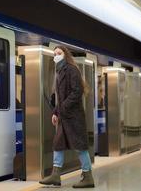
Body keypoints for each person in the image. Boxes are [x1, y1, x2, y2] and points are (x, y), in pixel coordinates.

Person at [39, 45, 95, 188]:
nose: (56, 55)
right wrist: (56, 113)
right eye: (55, 53)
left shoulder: (72, 69)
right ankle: (55, 175)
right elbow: (60, 97)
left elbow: (77, 92)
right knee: (58, 144)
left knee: (80, 147)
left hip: (74, 116)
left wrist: (62, 109)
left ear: (65, 55)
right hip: (65, 116)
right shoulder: (60, 71)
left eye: (59, 53)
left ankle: (88, 176)